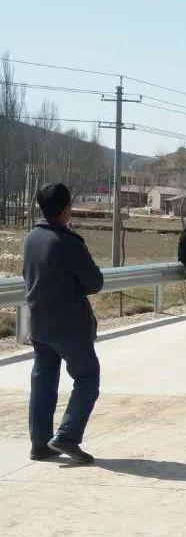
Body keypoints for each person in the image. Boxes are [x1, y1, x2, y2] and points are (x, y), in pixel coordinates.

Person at [22, 182, 104, 464]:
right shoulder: (68, 242)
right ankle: (67, 436)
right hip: (69, 326)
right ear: (66, 207)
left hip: (39, 323)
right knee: (87, 378)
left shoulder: (32, 237)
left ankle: (39, 444)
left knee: (43, 382)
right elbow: (94, 282)